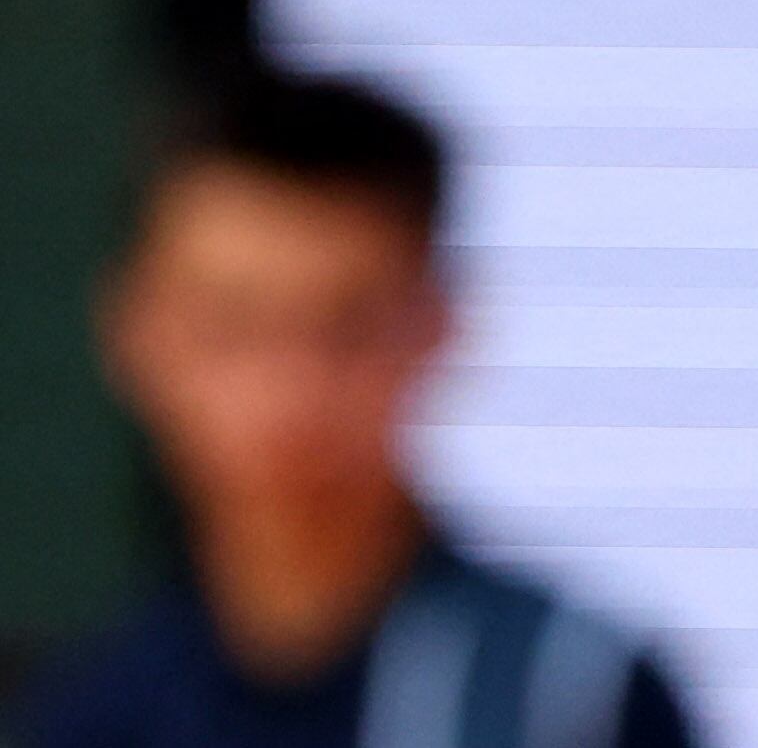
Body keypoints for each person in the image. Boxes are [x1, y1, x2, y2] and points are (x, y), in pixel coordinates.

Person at [15, 67, 700, 748]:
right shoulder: (81, 712)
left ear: (437, 324)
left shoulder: (576, 696)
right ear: (136, 330)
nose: (290, 389)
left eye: (349, 327)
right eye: (231, 323)